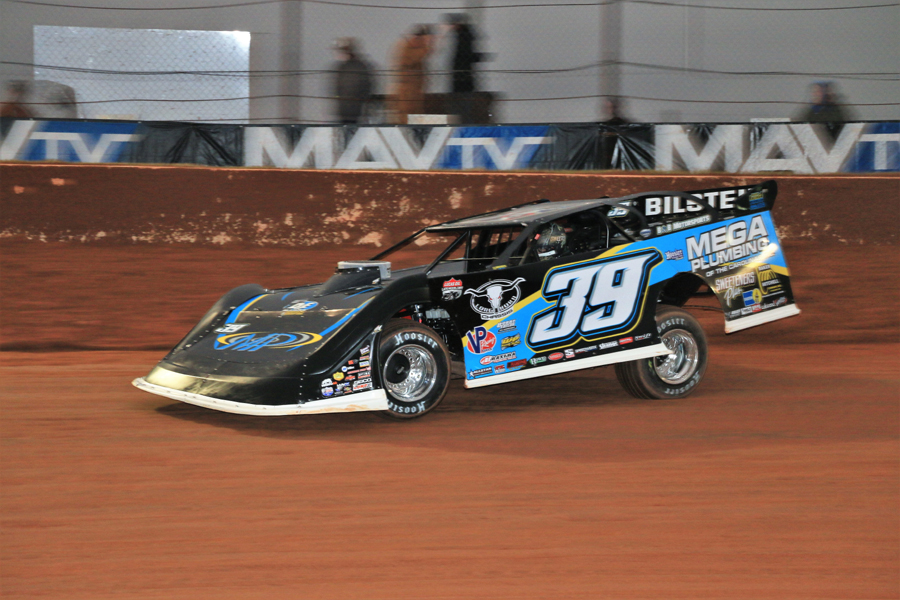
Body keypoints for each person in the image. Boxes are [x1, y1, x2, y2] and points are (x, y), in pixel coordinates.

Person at [387, 25, 433, 125]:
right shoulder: (408, 47)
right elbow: (416, 58)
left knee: (415, 116)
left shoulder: (413, 47)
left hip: (415, 91)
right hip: (408, 92)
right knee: (406, 117)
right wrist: (428, 45)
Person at [331, 38, 373, 125]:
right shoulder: (344, 67)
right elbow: (336, 88)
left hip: (353, 107)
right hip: (346, 107)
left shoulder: (355, 67)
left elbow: (366, 86)